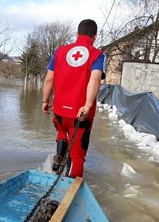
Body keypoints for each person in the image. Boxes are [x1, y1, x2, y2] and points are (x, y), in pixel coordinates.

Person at [42, 19, 106, 178]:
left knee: (62, 133)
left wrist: (45, 100)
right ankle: (70, 190)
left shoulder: (59, 51)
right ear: (95, 36)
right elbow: (95, 79)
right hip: (80, 115)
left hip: (60, 112)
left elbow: (49, 79)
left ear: (77, 34)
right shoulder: (98, 55)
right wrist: (87, 104)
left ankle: (58, 160)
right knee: (77, 156)